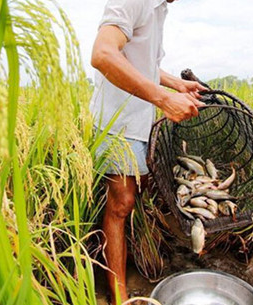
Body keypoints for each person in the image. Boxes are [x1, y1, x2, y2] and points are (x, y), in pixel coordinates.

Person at [89, 0, 207, 303]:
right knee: (121, 203)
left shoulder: (159, 9)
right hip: (117, 120)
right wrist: (164, 100)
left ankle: (127, 265)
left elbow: (143, 64)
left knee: (135, 197)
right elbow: (103, 55)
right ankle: (118, 295)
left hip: (141, 120)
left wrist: (175, 84)